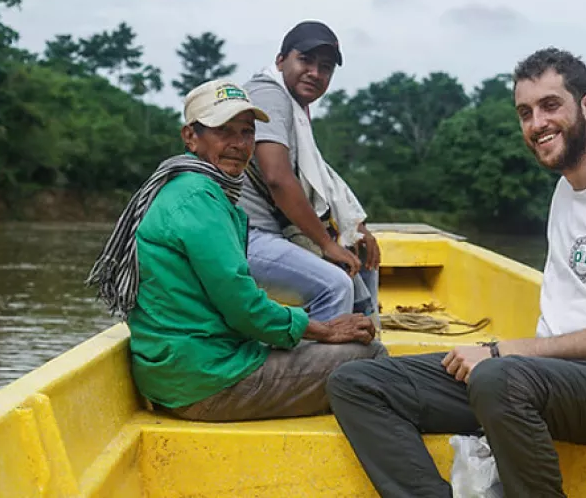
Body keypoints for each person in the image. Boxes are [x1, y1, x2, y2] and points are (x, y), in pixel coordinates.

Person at [326, 48, 586, 497]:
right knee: (357, 382)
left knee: (495, 376)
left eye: (550, 105)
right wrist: (506, 359)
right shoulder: (567, 190)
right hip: (536, 379)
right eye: (525, 112)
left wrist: (501, 352)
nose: (536, 123)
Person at [84, 79, 387, 423]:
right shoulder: (200, 199)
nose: (238, 144)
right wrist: (326, 330)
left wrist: (309, 331)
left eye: (246, 132)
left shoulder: (187, 186)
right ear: (190, 137)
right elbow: (244, 309)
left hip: (188, 372)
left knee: (331, 348)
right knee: (370, 358)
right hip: (208, 384)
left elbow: (237, 304)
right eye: (223, 131)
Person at [236, 20, 381, 325]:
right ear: (280, 60)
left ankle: (363, 342)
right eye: (305, 60)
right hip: (245, 238)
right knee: (335, 284)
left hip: (268, 234)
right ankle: (322, 367)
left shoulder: (295, 108)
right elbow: (277, 177)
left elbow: (320, 180)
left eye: (325, 67)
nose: (315, 73)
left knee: (357, 252)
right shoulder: (269, 93)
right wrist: (327, 245)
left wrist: (354, 226)